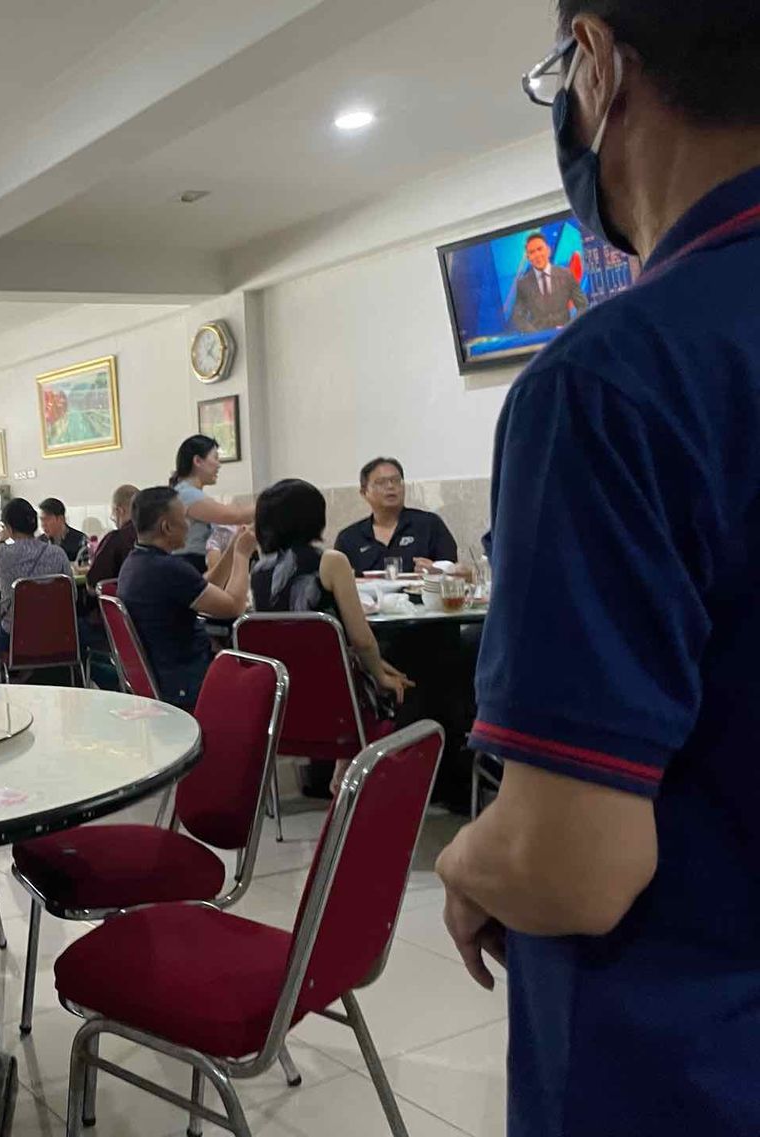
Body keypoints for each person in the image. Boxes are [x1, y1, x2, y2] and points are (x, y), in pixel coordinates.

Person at [436, 6, 760, 1134]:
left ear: (596, 61)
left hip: (690, 1057)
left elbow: (569, 865)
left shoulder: (613, 380)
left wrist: (470, 857)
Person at [251, 479, 412, 787]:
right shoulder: (331, 562)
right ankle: (360, 776)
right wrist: (380, 675)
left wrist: (377, 666)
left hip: (282, 699)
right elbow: (361, 639)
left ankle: (343, 772)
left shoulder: (258, 570)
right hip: (337, 699)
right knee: (399, 683)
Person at [116, 487, 254, 710]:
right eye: (185, 519)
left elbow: (202, 588)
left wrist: (231, 548)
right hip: (187, 680)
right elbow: (234, 606)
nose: (189, 526)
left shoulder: (136, 563)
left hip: (163, 675)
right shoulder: (168, 569)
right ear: (167, 527)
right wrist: (242, 555)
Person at [333, 458, 458, 574]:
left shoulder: (430, 525)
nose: (390, 486)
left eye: (396, 480)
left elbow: (454, 573)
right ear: (364, 492)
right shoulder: (348, 538)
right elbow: (338, 582)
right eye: (381, 482)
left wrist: (437, 570)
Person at [0, 498, 73, 649]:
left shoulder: (1, 554)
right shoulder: (58, 553)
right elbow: (72, 596)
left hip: (16, 635)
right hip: (56, 634)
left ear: (9, 528)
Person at [169, 435, 256, 572]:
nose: (219, 464)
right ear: (197, 461)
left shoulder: (190, 492)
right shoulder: (186, 494)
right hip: (191, 564)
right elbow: (234, 516)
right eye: (215, 458)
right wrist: (269, 503)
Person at [511, 231, 591, 332]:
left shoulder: (566, 275)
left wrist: (569, 328)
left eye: (540, 249)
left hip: (566, 334)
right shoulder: (523, 284)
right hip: (539, 338)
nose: (537, 255)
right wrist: (535, 335)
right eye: (532, 252)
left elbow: (583, 306)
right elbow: (518, 317)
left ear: (548, 251)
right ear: (528, 257)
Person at [86, 484, 139, 591]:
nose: (113, 518)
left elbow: (93, 584)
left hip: (124, 599)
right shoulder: (156, 535)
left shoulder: (117, 538)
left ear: (119, 511)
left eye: (113, 513)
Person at [38, 498, 87, 562]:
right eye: (41, 520)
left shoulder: (81, 540)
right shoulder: (39, 542)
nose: (43, 524)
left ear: (61, 519)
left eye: (47, 519)